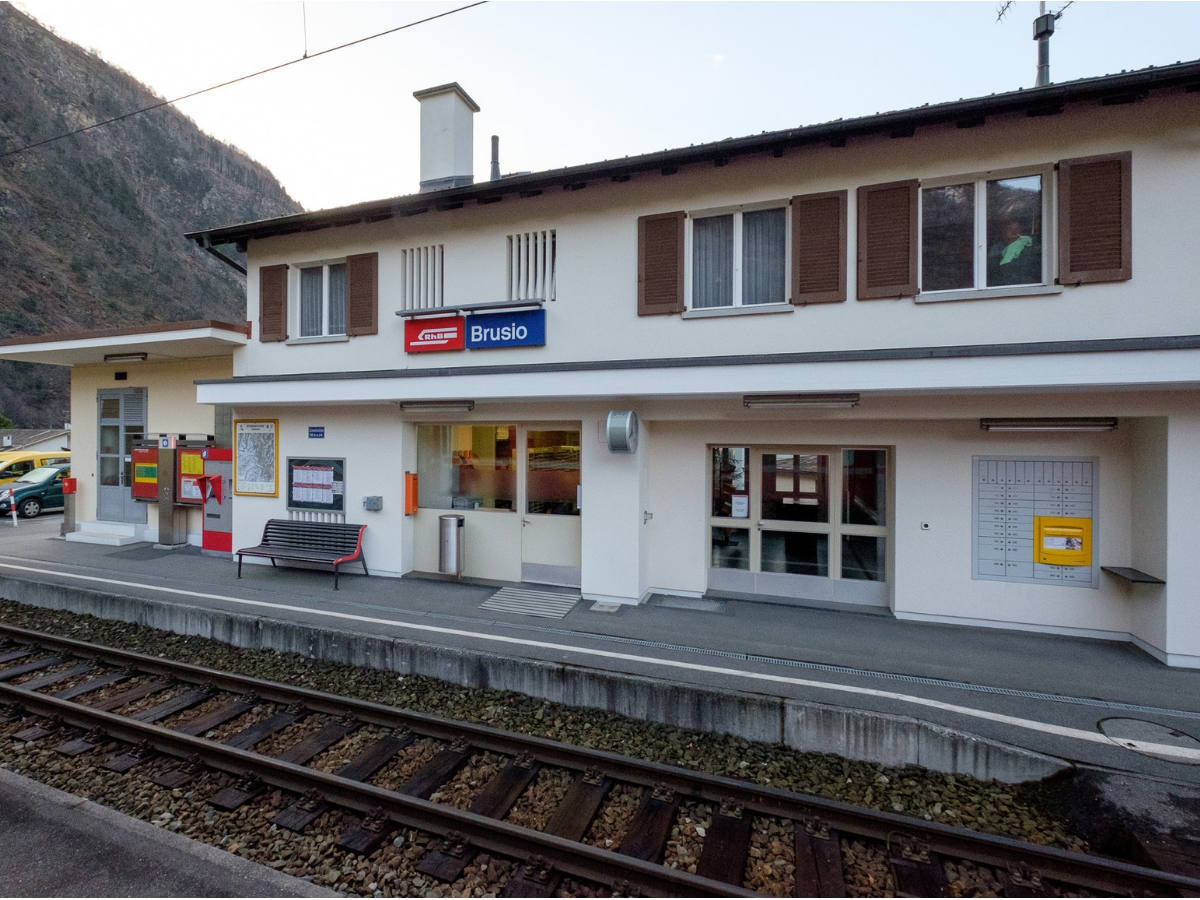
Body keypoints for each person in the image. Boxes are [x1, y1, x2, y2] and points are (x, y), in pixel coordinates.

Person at [988, 218, 1040, 286]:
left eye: (1017, 229)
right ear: (1003, 232)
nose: (1014, 232)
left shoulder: (1028, 248)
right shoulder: (996, 249)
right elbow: (992, 272)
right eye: (1010, 229)